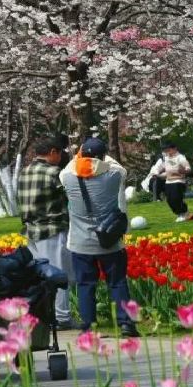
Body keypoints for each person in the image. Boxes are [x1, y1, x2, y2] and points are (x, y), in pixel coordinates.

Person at [60, 137, 138, 338]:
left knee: (86, 285)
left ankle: (88, 328)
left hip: (80, 242)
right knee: (118, 282)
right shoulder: (113, 176)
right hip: (109, 241)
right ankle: (126, 323)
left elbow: (70, 167)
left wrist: (81, 155)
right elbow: (117, 166)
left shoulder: (67, 177)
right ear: (103, 157)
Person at [18, 136, 75, 329]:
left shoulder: (25, 171)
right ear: (52, 152)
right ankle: (62, 317)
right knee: (58, 274)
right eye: (60, 153)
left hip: (30, 230)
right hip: (51, 229)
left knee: (40, 276)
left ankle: (42, 315)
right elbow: (71, 196)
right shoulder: (53, 172)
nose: (61, 157)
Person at [149, 142, 192, 222]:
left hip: (179, 181)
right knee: (169, 200)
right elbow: (163, 166)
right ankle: (179, 214)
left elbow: (188, 169)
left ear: (175, 148)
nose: (167, 152)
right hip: (168, 181)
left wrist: (183, 171)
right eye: (166, 150)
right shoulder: (166, 158)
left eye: (169, 150)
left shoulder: (181, 158)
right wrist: (157, 172)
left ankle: (183, 213)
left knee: (176, 198)